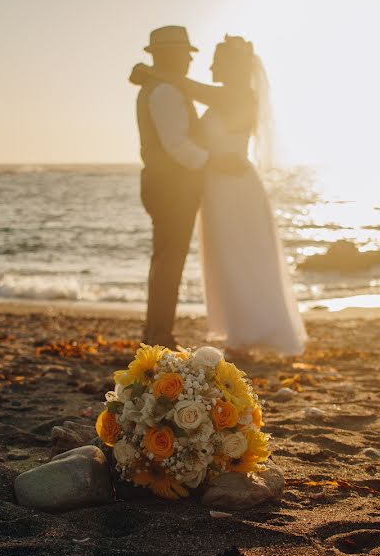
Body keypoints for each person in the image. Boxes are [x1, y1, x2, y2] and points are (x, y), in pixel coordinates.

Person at [131, 34, 307, 356]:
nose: (207, 65)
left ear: (231, 67)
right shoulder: (221, 96)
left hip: (234, 184)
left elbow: (189, 88)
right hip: (218, 184)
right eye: (197, 57)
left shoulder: (236, 96)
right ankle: (240, 330)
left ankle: (252, 331)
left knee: (242, 255)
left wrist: (151, 73)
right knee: (228, 257)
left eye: (216, 60)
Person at [135, 25, 247, 349]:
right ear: (169, 56)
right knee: (170, 261)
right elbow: (177, 146)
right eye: (184, 55)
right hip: (170, 187)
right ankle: (159, 334)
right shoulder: (166, 92)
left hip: (164, 184)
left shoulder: (163, 87)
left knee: (165, 260)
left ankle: (155, 331)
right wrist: (215, 162)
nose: (187, 61)